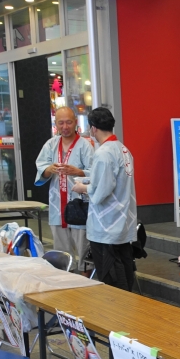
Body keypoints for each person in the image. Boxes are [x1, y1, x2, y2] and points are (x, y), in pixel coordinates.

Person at [71, 108, 137, 291]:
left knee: (112, 276)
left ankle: (118, 314)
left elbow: (101, 192)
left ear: (93, 129)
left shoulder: (103, 153)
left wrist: (82, 188)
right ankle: (127, 309)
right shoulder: (123, 149)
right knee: (124, 267)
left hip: (106, 224)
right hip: (121, 220)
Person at [36, 106, 93, 267]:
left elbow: (95, 171)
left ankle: (85, 276)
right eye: (61, 123)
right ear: (56, 124)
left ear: (75, 122)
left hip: (78, 203)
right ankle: (64, 276)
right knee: (61, 250)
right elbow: (41, 169)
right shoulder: (51, 144)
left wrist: (79, 171)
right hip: (56, 204)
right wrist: (49, 169)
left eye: (69, 122)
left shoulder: (85, 145)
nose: (65, 127)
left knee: (83, 247)